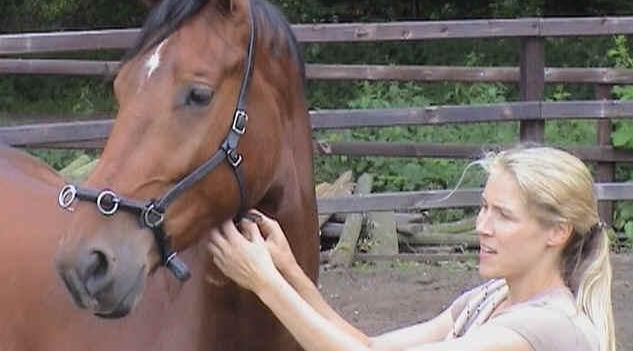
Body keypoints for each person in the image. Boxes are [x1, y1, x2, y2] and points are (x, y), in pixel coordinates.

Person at [208, 146, 615, 351]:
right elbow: (369, 347)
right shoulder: (491, 297)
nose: (482, 226)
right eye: (483, 208)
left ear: (557, 233)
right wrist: (289, 272)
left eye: (503, 216)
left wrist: (263, 282)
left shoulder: (545, 326)